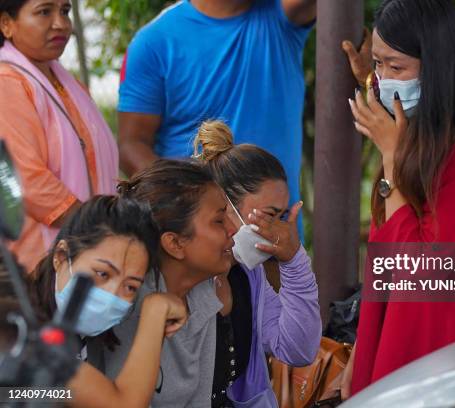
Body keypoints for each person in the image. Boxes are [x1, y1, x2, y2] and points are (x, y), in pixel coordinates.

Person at [342, 0, 455, 397]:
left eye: (397, 67)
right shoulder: (419, 126)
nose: (384, 78)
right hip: (399, 322)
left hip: (445, 345)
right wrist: (362, 348)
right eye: (377, 64)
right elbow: (386, 247)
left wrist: (390, 156)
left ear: (437, 64)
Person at [117, 0, 317, 237]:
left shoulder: (280, 16)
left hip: (274, 240)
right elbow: (131, 144)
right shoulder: (153, 41)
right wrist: (187, 200)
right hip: (197, 242)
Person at [89, 159, 237, 408]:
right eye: (219, 220)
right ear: (175, 244)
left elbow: (199, 402)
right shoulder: (129, 303)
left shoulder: (202, 292)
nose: (233, 229)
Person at [193, 120, 321, 406]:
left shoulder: (249, 276)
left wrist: (294, 261)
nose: (278, 229)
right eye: (269, 215)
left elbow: (297, 349)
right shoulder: (183, 277)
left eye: (282, 217)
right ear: (224, 204)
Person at [26, 195, 188, 407]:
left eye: (130, 287)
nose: (112, 295)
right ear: (61, 256)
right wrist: (156, 309)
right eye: (102, 274)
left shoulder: (83, 339)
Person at [0, 0, 119, 272]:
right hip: (39, 262)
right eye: (44, 12)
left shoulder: (64, 82)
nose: (61, 23)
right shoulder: (7, 82)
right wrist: (99, 225)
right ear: (6, 23)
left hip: (89, 246)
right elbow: (25, 179)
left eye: (65, 11)